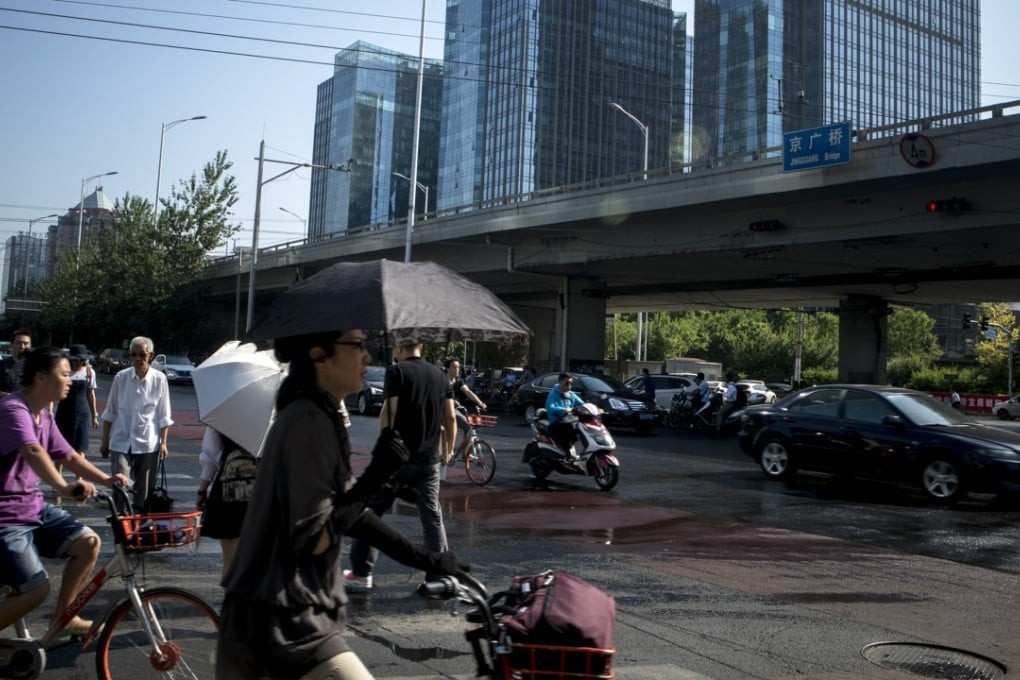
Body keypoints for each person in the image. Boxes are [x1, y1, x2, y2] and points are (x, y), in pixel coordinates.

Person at [217, 330, 467, 679]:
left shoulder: (324, 414)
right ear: (320, 356)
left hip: (296, 614)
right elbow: (316, 536)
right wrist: (375, 475)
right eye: (357, 346)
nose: (367, 358)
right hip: (279, 620)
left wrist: (427, 559)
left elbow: (355, 515)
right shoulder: (307, 421)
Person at [0, 347, 128, 637]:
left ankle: (64, 618)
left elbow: (69, 457)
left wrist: (108, 480)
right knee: (36, 589)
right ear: (42, 378)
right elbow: (32, 450)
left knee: (89, 543)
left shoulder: (43, 416)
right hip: (6, 517)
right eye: (65, 374)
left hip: (31, 508)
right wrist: (63, 486)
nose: (71, 380)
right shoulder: (13, 409)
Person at [345, 339, 456, 590]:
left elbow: (389, 411)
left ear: (399, 349)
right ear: (422, 347)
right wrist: (447, 450)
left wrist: (384, 446)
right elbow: (450, 416)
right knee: (432, 516)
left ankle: (362, 573)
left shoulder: (396, 371)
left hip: (398, 459)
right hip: (429, 461)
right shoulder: (440, 375)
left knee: (372, 511)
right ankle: (439, 577)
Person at [100, 336, 173, 512]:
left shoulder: (159, 380)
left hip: (148, 442)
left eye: (142, 354)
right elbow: (110, 411)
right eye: (134, 354)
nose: (138, 359)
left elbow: (164, 415)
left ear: (151, 355)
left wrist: (163, 443)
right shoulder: (121, 377)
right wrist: (105, 441)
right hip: (120, 440)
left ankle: (140, 525)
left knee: (144, 490)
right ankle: (121, 523)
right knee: (119, 484)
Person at [196, 427, 252, 578]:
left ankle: (231, 599)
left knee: (230, 558)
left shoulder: (224, 413)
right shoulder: (272, 413)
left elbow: (210, 457)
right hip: (262, 492)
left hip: (229, 490)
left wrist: (202, 491)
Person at [54, 345, 99, 458]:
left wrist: (94, 415)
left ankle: (79, 476)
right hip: (64, 412)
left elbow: (90, 393)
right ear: (70, 359)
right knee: (62, 445)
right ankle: (58, 474)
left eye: (82, 359)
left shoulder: (89, 372)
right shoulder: (64, 371)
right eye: (75, 360)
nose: (78, 362)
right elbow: (53, 392)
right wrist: (49, 411)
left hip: (82, 412)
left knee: (80, 445)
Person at [544, 373, 585, 456]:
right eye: (567, 383)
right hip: (556, 422)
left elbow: (582, 404)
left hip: (568, 420)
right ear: (560, 382)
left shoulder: (571, 394)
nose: (569, 386)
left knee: (583, 426)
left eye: (571, 384)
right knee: (570, 427)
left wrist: (593, 408)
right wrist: (564, 410)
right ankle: (567, 451)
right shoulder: (554, 393)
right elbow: (550, 407)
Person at [445, 358, 487, 438]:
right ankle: (448, 449)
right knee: (448, 431)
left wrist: (480, 403)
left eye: (458, 367)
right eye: (454, 367)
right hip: (442, 410)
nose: (457, 369)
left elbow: (468, 392)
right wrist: (452, 401)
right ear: (447, 369)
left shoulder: (459, 381)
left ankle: (468, 449)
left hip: (454, 410)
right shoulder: (442, 380)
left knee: (468, 427)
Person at [0, 329, 32, 397]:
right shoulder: (2, 365)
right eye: (18, 343)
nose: (22, 346)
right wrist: (9, 396)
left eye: (26, 343)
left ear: (30, 345)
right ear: (11, 345)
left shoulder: (37, 366)